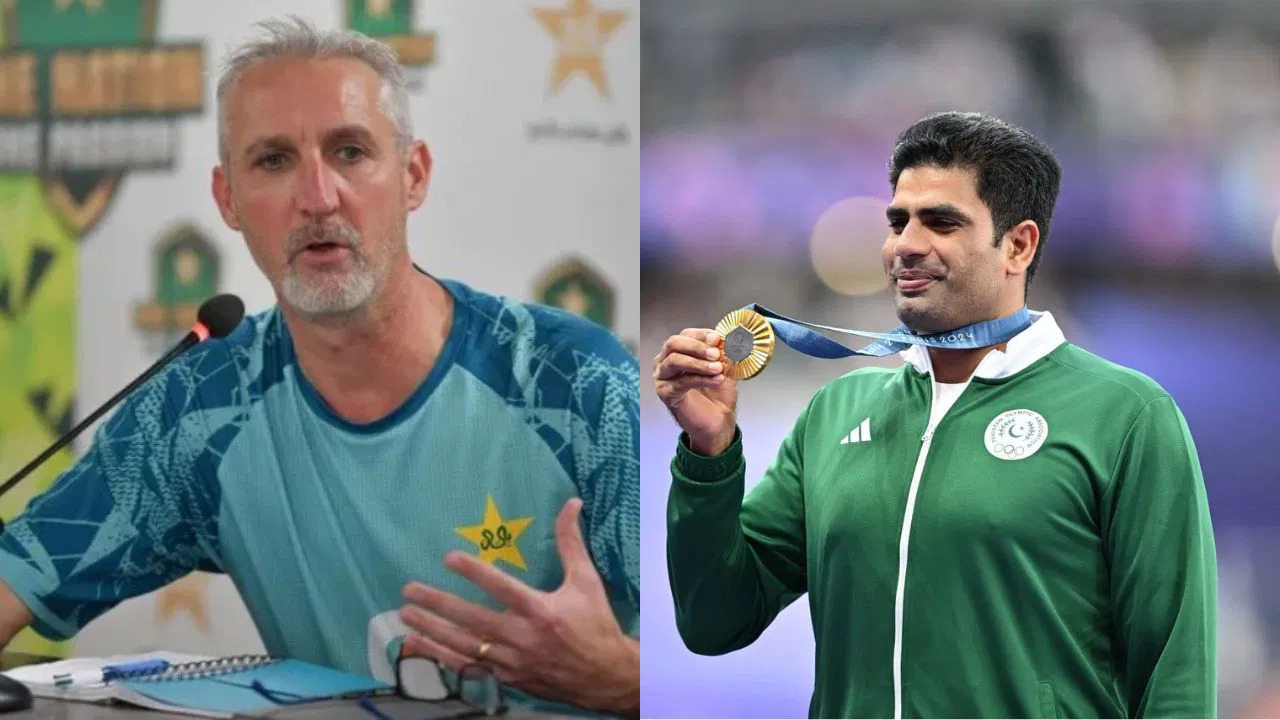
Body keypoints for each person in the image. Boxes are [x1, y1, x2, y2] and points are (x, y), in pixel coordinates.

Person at [0, 17, 639, 718]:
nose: (318, 196)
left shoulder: (574, 384)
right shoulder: (202, 409)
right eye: (273, 160)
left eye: (350, 151)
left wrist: (620, 680)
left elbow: (745, 670)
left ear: (413, 175)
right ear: (228, 200)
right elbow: (16, 578)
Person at [655, 111, 1216, 719]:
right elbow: (715, 621)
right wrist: (709, 456)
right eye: (898, 221)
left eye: (941, 222)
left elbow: (1175, 674)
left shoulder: (1125, 415)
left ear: (1018, 245)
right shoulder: (835, 411)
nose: (906, 245)